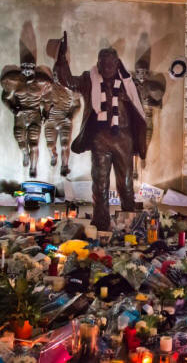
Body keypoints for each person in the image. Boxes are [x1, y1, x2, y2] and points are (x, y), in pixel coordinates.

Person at [53, 32, 147, 231]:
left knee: (126, 184)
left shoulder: (129, 83)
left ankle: (129, 224)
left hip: (124, 139)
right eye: (103, 66)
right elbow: (68, 81)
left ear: (117, 63)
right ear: (98, 63)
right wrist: (61, 59)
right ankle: (101, 224)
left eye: (111, 65)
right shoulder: (90, 79)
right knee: (100, 183)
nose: (107, 69)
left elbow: (138, 109)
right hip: (100, 140)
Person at [0, 62, 52, 177]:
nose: (27, 71)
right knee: (21, 141)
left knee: (34, 145)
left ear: (34, 68)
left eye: (30, 67)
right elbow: (5, 98)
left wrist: (46, 115)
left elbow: (48, 101)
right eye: (25, 67)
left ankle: (33, 168)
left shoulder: (43, 82)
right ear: (21, 68)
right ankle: (25, 153)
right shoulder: (13, 81)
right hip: (21, 114)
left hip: (35, 114)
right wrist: (13, 110)